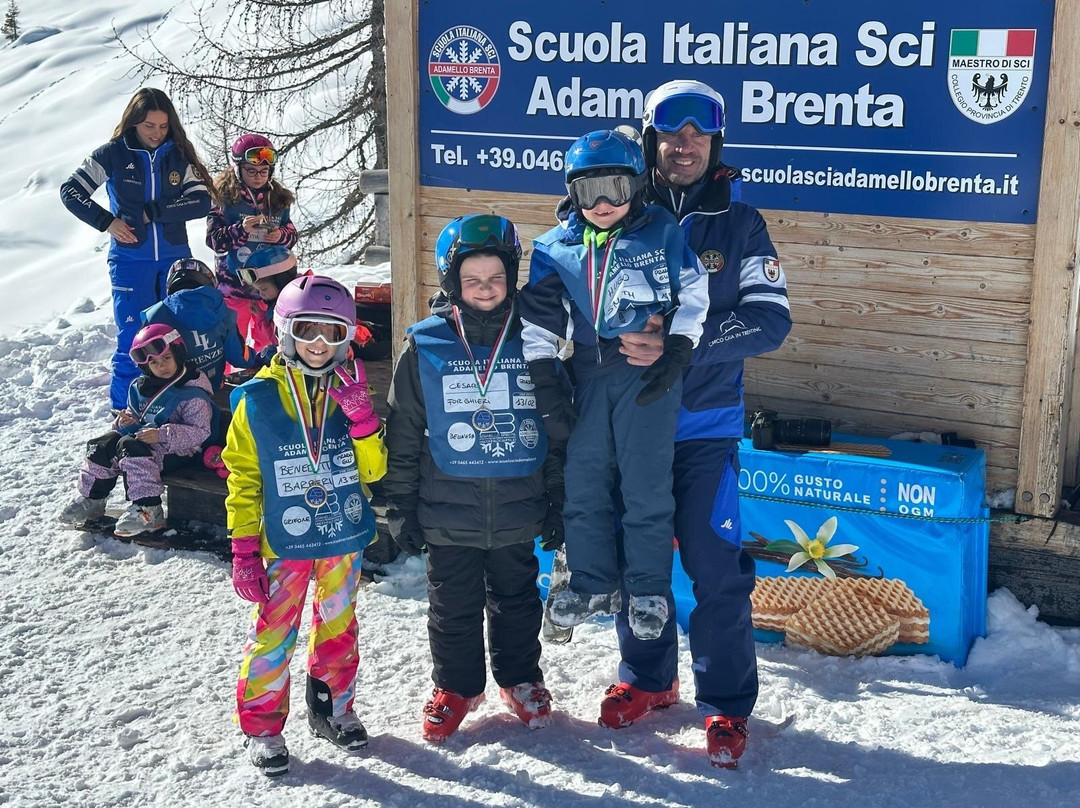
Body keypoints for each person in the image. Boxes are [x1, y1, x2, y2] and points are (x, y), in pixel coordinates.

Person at [603, 80, 792, 769]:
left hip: (706, 428)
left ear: (715, 143)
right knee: (639, 561)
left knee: (715, 567)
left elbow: (769, 319)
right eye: (671, 132)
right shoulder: (617, 211)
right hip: (632, 426)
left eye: (699, 133)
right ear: (649, 138)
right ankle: (647, 678)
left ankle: (726, 705)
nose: (685, 145)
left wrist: (683, 343)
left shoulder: (740, 223)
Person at [516, 129, 709, 642]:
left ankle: (648, 588)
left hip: (647, 376)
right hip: (588, 374)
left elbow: (694, 292)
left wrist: (678, 349)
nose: (602, 203)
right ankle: (590, 580)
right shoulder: (557, 248)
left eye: (615, 189)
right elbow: (539, 319)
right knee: (583, 479)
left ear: (637, 186)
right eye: (588, 191)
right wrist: (544, 381)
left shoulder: (661, 232)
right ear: (571, 193)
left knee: (646, 483)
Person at [383, 214, 564, 744]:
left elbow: (555, 428)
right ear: (451, 281)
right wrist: (400, 505)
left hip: (517, 502)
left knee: (518, 601)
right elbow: (405, 431)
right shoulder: (426, 345)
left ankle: (520, 679)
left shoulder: (535, 341)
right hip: (447, 507)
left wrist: (559, 498)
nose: (485, 288)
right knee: (452, 607)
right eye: (472, 279)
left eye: (496, 278)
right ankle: (457, 688)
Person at [223, 275, 386, 777]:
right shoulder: (256, 399)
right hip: (285, 539)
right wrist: (244, 549)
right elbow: (243, 479)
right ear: (283, 332)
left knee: (338, 625)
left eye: (332, 333)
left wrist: (364, 425)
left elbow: (374, 473)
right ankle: (263, 727)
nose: (319, 343)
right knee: (274, 633)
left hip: (341, 533)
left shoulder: (349, 391)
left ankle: (332, 708)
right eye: (307, 330)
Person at [60, 88, 215, 410]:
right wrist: (106, 221)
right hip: (130, 260)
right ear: (133, 122)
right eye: (149, 126)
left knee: (178, 337)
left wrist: (152, 212)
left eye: (163, 126)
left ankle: (181, 408)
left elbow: (201, 201)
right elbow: (71, 191)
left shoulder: (178, 155)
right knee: (134, 339)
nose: (157, 133)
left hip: (175, 260)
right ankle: (125, 413)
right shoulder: (112, 154)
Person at [58, 324, 217, 537]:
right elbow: (135, 416)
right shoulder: (141, 387)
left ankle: (148, 509)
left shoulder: (191, 392)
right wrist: (125, 422)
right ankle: (93, 499)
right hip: (145, 443)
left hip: (180, 452)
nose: (161, 366)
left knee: (130, 446)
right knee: (102, 445)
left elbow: (200, 431)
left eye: (166, 358)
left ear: (178, 354)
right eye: (154, 363)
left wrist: (161, 434)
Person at [140, 258, 258, 391]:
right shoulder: (221, 309)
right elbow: (240, 358)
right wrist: (260, 357)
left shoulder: (154, 316)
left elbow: (145, 362)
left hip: (174, 394)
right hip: (213, 390)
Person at [206, 133, 298, 288]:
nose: (258, 177)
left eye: (264, 171)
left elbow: (293, 236)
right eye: (251, 171)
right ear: (238, 169)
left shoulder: (279, 199)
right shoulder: (223, 198)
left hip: (271, 285)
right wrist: (240, 230)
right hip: (234, 285)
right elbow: (214, 241)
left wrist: (280, 235)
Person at [228, 245, 303, 364]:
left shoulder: (298, 307)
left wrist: (262, 317)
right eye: (258, 290)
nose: (261, 295)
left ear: (281, 281)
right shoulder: (285, 300)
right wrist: (261, 315)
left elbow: (276, 340)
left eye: (263, 289)